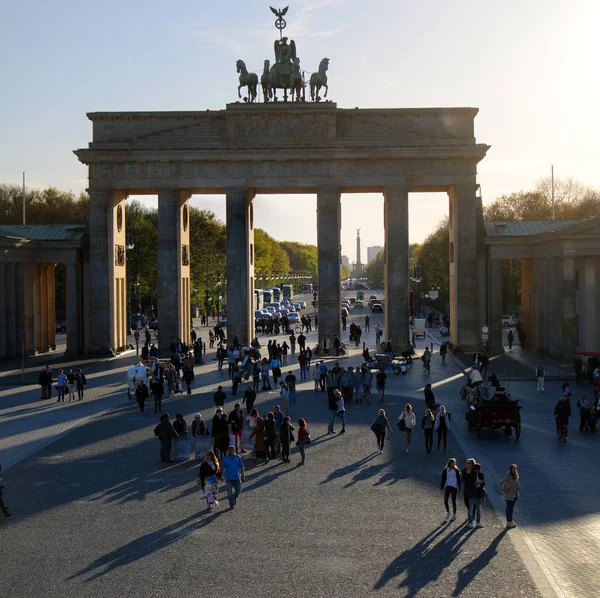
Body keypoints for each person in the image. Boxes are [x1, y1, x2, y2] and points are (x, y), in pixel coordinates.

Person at [440, 458, 461, 523]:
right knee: (445, 500)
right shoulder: (446, 470)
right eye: (452, 462)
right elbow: (443, 478)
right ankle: (448, 512)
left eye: (454, 462)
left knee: (453, 500)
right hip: (447, 486)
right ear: (449, 463)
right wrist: (442, 486)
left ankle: (454, 514)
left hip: (454, 487)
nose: (453, 463)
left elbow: (459, 479)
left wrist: (459, 487)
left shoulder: (456, 470)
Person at [465, 463, 486, 529]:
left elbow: (483, 483)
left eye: (479, 469)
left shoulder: (481, 474)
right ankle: (470, 522)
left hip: (479, 493)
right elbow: (467, 484)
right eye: (477, 469)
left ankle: (478, 522)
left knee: (479, 509)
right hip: (472, 493)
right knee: (471, 508)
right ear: (474, 469)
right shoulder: (470, 475)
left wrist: (482, 483)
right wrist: (474, 484)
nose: (479, 470)